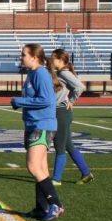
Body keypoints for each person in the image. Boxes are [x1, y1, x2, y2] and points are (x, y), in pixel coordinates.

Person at [11, 43, 63, 221]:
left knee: (33, 166)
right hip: (34, 124)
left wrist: (20, 101)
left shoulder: (40, 73)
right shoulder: (33, 73)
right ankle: (42, 208)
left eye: (24, 55)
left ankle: (55, 204)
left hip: (42, 124)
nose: (21, 58)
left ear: (34, 57)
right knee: (42, 169)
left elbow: (46, 100)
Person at [49, 49, 93, 186]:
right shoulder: (61, 73)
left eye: (53, 58)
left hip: (61, 112)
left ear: (60, 60)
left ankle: (56, 179)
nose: (51, 60)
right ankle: (86, 173)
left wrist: (72, 101)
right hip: (60, 112)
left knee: (59, 146)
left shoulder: (64, 72)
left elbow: (80, 87)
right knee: (69, 146)